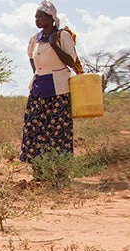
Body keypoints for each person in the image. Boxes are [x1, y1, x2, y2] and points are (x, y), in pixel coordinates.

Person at [19, 1, 83, 164]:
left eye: (40, 16)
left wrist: (54, 44)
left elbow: (71, 60)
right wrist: (37, 71)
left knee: (57, 131)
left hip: (58, 89)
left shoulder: (62, 36)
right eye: (35, 17)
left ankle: (59, 170)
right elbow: (31, 56)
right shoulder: (35, 39)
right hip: (38, 88)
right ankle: (38, 169)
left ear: (51, 17)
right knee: (33, 127)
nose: (37, 20)